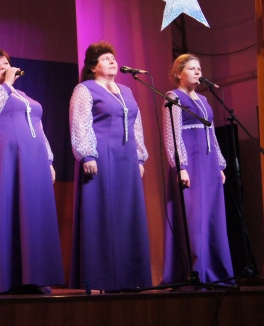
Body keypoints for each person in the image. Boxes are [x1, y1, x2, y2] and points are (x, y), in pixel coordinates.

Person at [0, 49, 64, 295]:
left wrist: (48, 159)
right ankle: (3, 279)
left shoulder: (22, 95)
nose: (3, 67)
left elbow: (38, 126)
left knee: (31, 215)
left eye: (6, 63)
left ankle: (34, 277)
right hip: (0, 160)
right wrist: (6, 85)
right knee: (4, 211)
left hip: (32, 161)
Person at [69, 41, 151, 292]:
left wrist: (140, 157)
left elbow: (136, 125)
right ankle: (100, 277)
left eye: (113, 57)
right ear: (93, 67)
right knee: (101, 214)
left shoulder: (126, 90)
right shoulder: (85, 89)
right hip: (100, 157)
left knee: (128, 214)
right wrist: (87, 155)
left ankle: (131, 278)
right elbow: (80, 122)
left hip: (127, 159)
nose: (112, 61)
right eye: (105, 58)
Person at [161, 54, 233, 284]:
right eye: (192, 68)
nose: (198, 72)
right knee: (194, 219)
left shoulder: (203, 99)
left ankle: (216, 271)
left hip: (209, 164)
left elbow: (212, 133)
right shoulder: (173, 97)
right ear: (178, 73)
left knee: (212, 216)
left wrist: (219, 164)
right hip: (190, 164)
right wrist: (180, 166)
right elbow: (172, 135)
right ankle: (195, 272)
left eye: (199, 68)